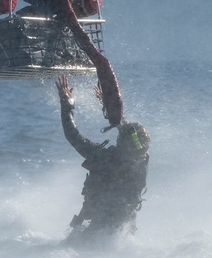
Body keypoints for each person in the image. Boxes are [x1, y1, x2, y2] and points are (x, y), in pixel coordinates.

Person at [55, 75, 150, 239]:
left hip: (97, 227)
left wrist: (66, 104)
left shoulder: (103, 158)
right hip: (125, 227)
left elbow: (72, 135)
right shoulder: (142, 159)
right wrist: (109, 108)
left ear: (121, 142)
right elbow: (129, 132)